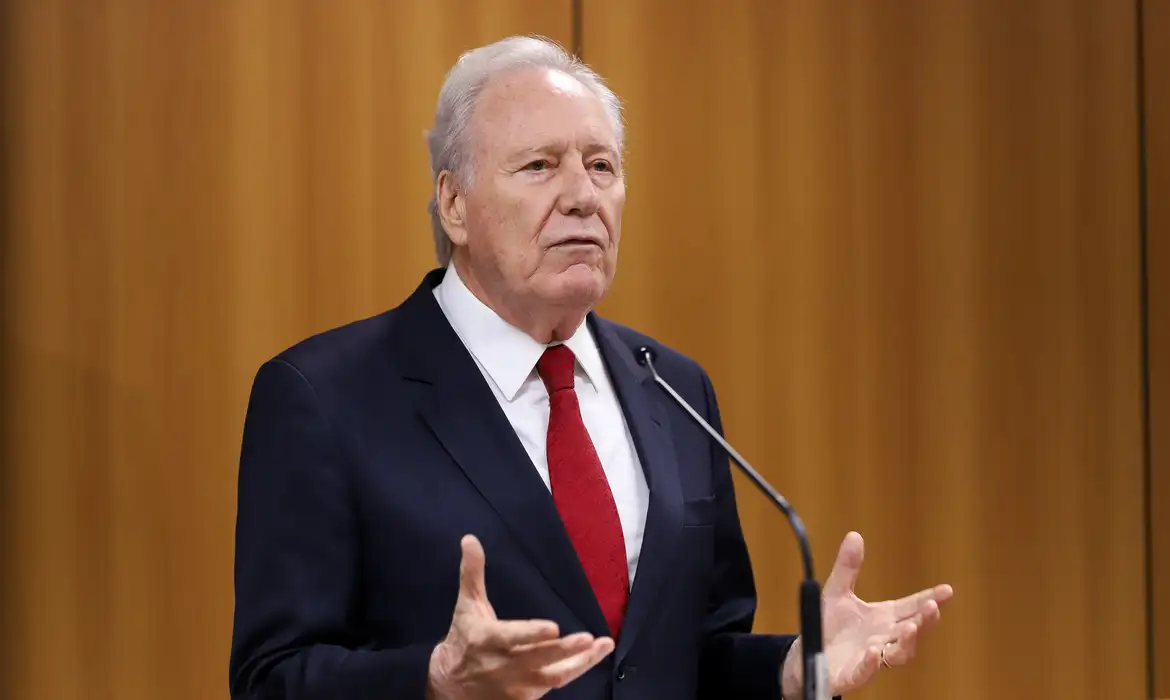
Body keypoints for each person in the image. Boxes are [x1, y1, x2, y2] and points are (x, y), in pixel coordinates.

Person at [228, 35, 953, 700]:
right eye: (539, 166)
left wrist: (794, 669)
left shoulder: (674, 388)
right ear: (454, 205)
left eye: (601, 166)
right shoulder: (325, 397)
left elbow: (692, 655)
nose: (582, 197)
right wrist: (434, 679)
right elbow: (272, 679)